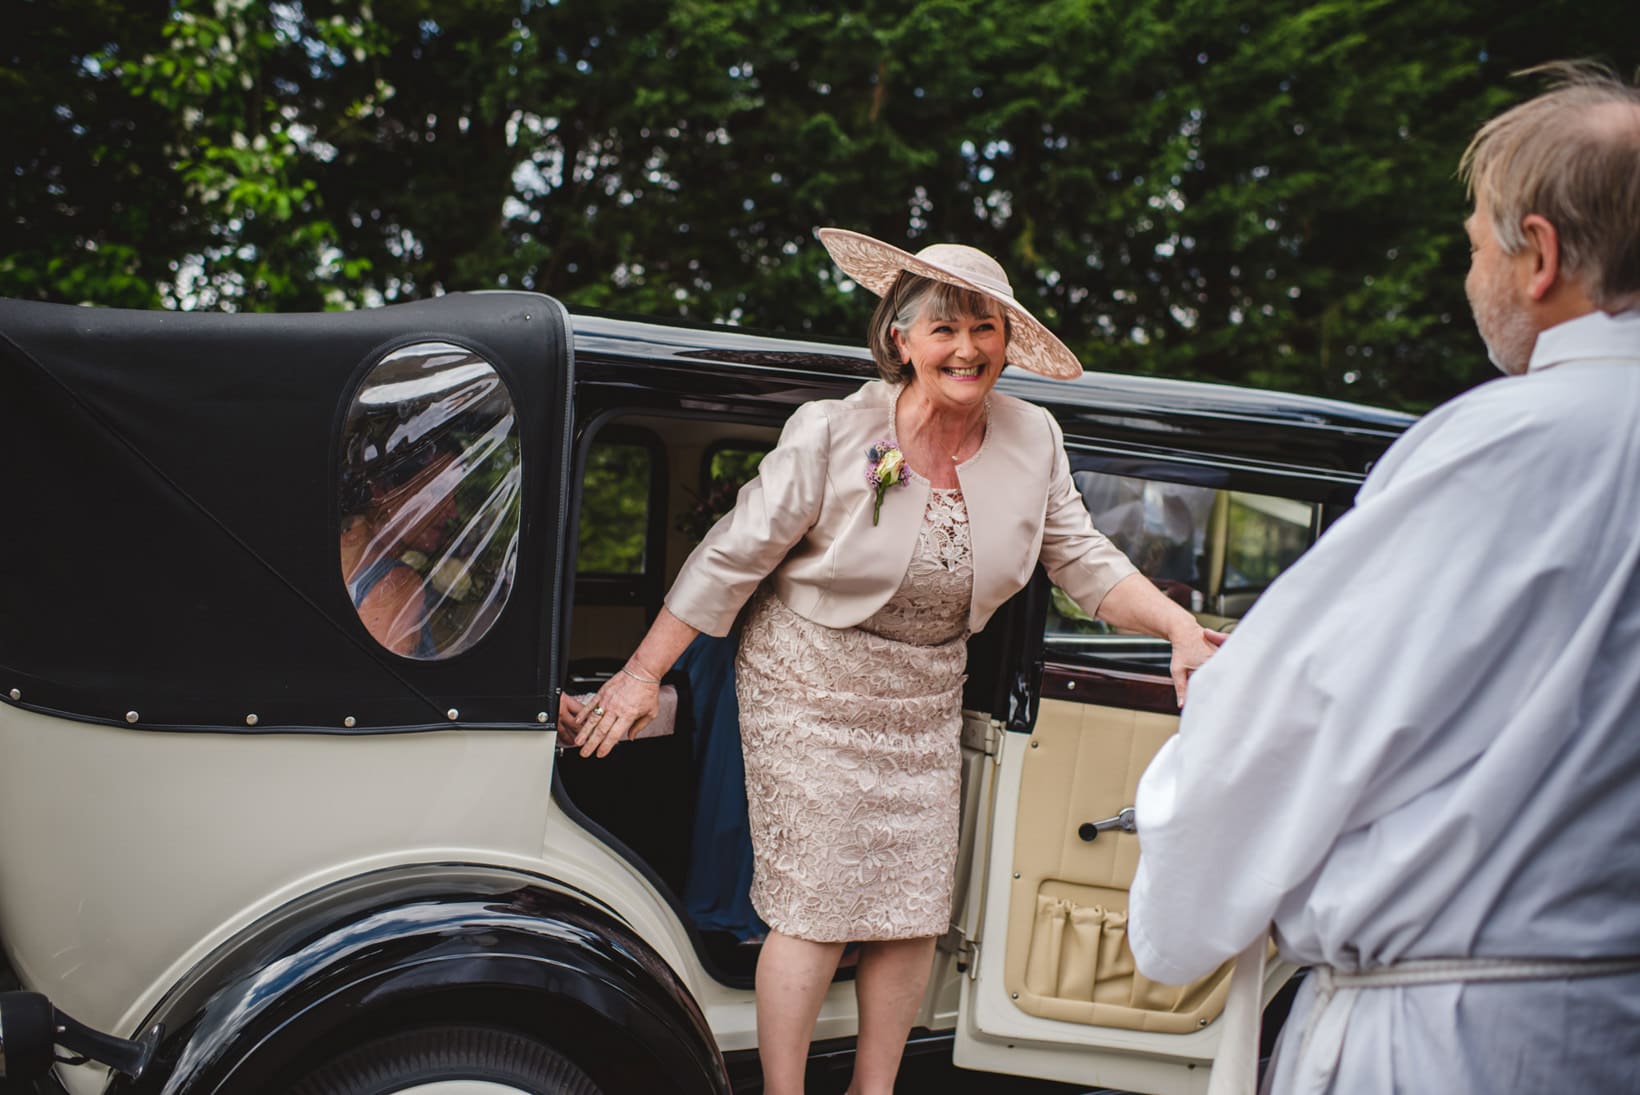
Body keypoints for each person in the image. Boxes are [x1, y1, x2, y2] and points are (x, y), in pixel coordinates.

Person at [561, 228, 1221, 1095]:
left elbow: (1086, 562)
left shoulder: (1034, 440)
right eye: (944, 328)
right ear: (900, 340)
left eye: (985, 329)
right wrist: (642, 673)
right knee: (818, 902)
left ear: (1007, 343)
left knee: (912, 911)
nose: (967, 348)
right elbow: (731, 557)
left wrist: (1177, 626)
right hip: (807, 678)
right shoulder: (835, 432)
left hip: (923, 692)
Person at [1127, 62, 1640, 1095]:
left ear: (1535, 255)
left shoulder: (1507, 443)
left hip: (1460, 1038)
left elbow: (1291, 714)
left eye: (1472, 248)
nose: (1469, 279)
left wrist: (1176, 898)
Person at [339, 447, 462, 657]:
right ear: (382, 490)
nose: (453, 512)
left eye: (454, 495)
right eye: (438, 491)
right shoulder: (396, 585)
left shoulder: (344, 549)